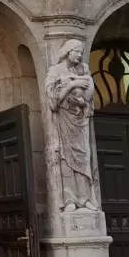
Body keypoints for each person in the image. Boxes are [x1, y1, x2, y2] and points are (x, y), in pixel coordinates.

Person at [45, 39, 98, 211]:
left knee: (83, 157)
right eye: (77, 52)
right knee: (66, 159)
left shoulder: (83, 70)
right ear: (68, 52)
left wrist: (84, 102)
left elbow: (90, 96)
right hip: (63, 120)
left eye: (82, 53)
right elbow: (52, 101)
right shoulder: (55, 70)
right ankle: (69, 200)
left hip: (80, 121)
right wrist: (73, 84)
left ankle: (85, 198)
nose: (80, 56)